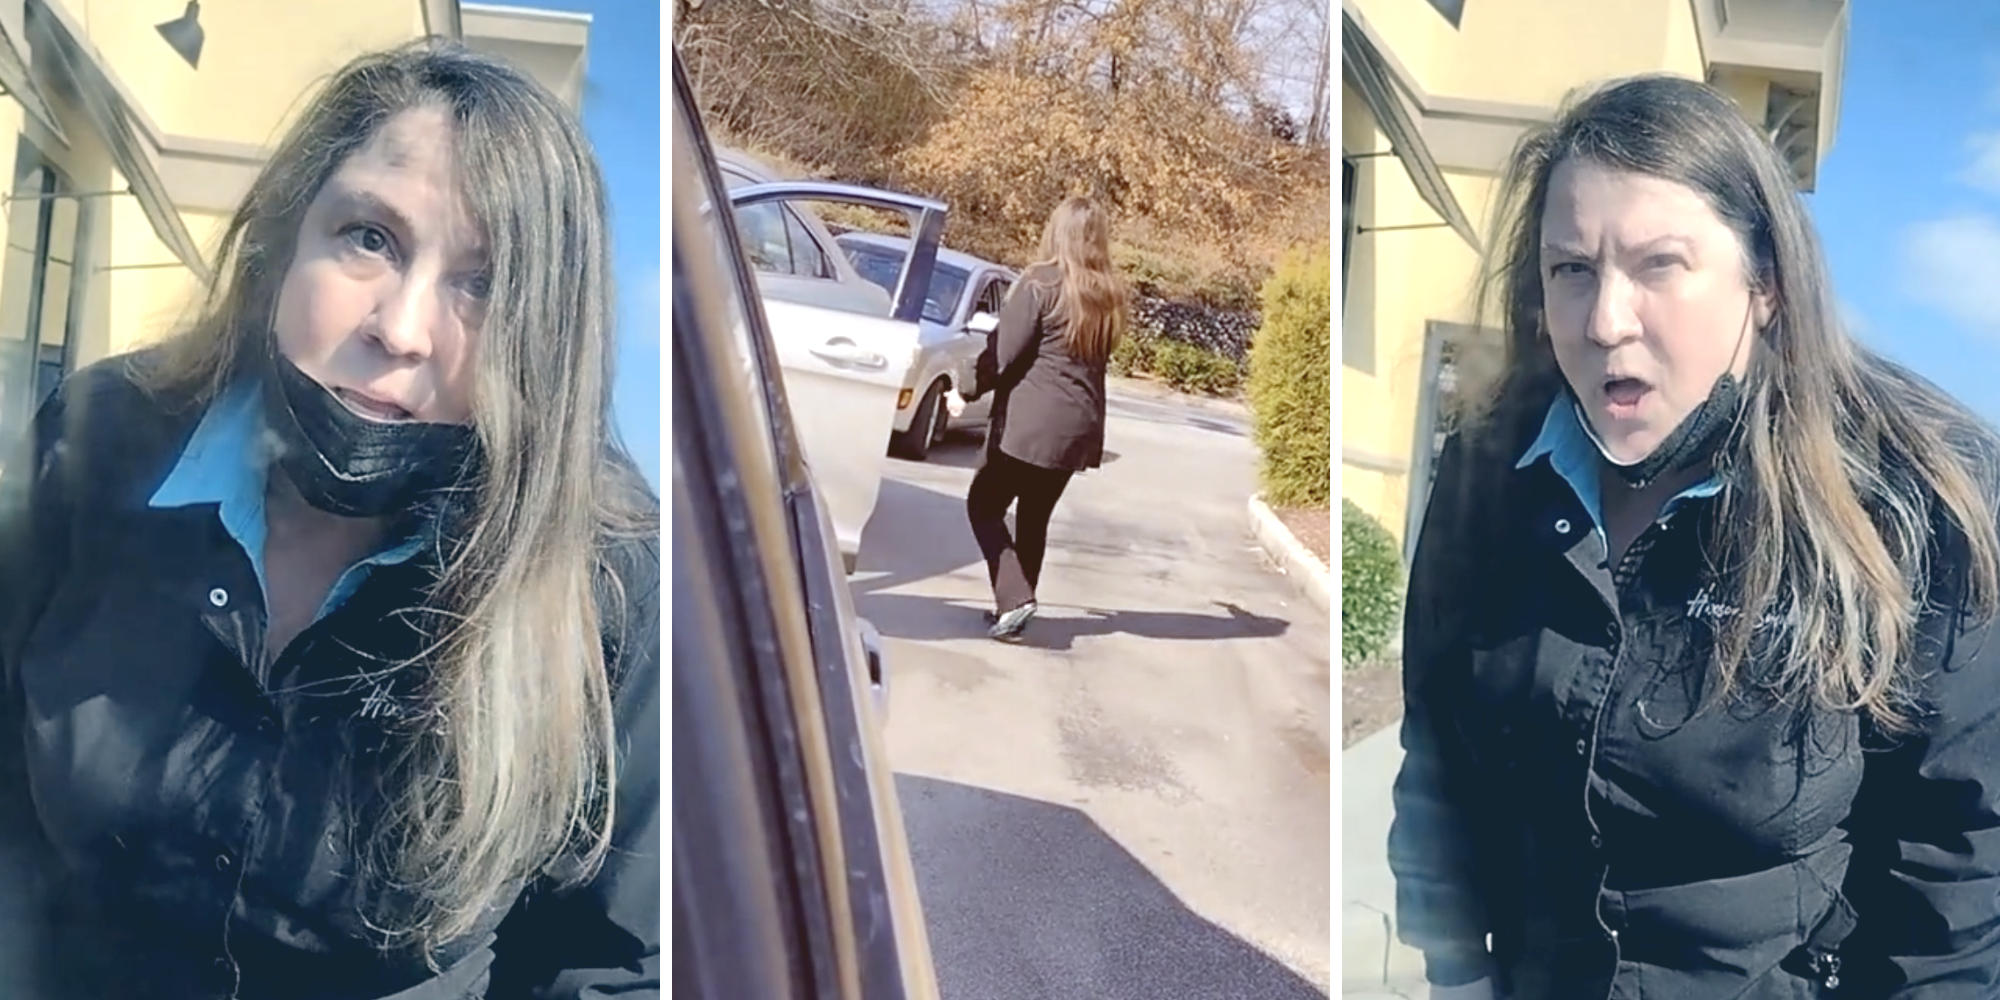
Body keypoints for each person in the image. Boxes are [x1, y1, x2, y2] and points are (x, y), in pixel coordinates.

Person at [0, 42, 659, 999]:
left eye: (483, 282)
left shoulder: (605, 586)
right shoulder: (98, 443)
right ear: (282, 243)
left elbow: (606, 964)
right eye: (369, 238)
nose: (401, 328)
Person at [1391, 73, 2000, 999]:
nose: (1603, 321)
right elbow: (1436, 754)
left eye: (1658, 265)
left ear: (1764, 282)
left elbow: (1958, 874)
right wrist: (1456, 974)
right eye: (1572, 269)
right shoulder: (1489, 469)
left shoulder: (1915, 504)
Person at [960, 196, 1128, 641]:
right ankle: (1012, 611)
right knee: (1034, 518)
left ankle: (1014, 600)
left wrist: (965, 390)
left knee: (984, 505)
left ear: (1057, 231)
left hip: (1029, 425)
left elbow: (1003, 355)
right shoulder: (1108, 296)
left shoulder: (1040, 283)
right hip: (1079, 430)